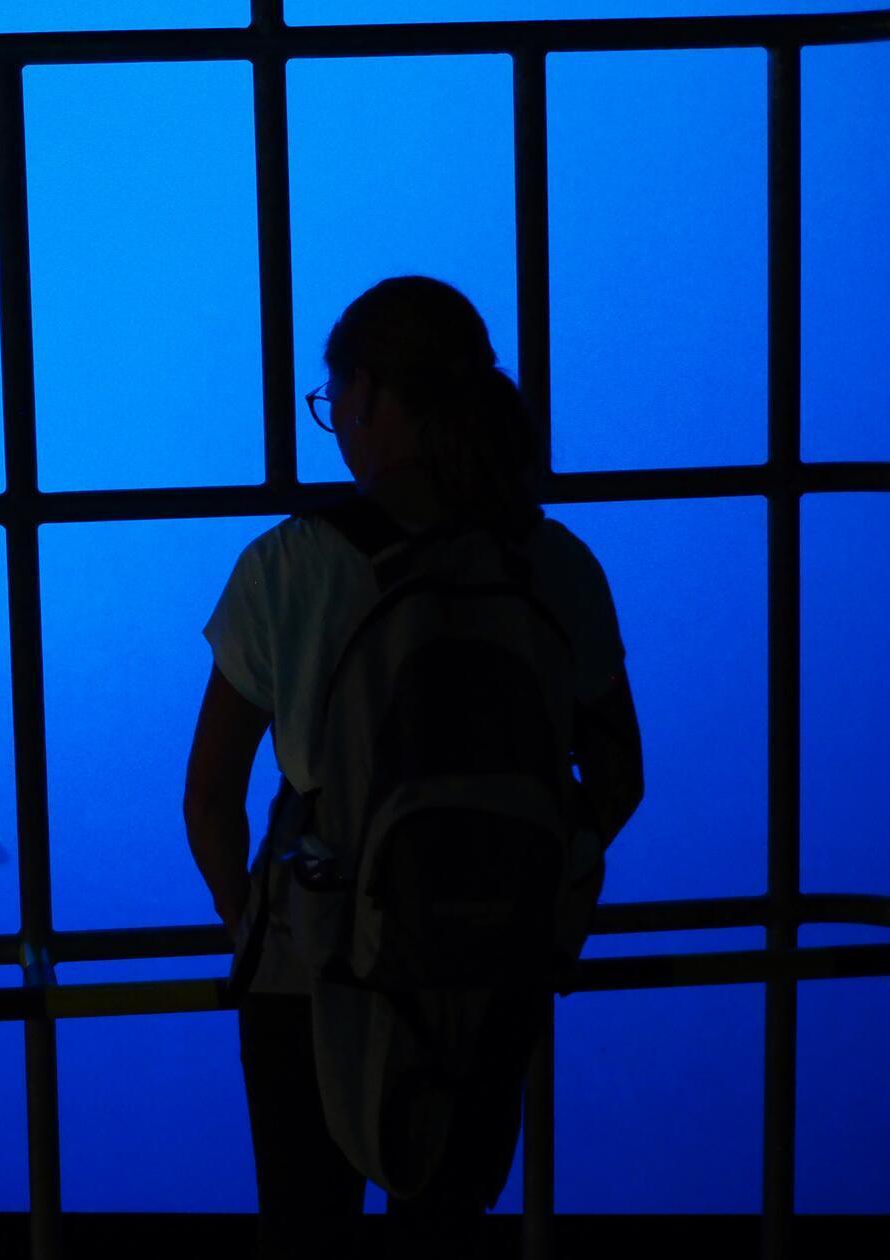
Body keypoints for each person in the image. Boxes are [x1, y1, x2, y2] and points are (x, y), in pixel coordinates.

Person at [182, 276, 645, 1259]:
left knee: (308, 1235)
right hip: (487, 964)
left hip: (308, 976)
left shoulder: (290, 563)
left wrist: (259, 929)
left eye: (334, 402)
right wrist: (523, 885)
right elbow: (620, 777)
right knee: (446, 1231)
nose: (335, 426)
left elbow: (209, 795)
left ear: (375, 396)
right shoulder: (554, 562)